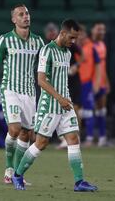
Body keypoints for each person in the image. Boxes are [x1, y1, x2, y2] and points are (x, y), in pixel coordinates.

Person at [11, 19, 98, 192]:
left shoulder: (67, 53)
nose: (73, 41)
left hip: (65, 104)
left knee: (73, 139)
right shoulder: (47, 50)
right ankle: (18, 175)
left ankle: (79, 182)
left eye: (76, 38)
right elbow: (41, 81)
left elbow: (61, 79)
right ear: (63, 33)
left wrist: (66, 99)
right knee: (41, 143)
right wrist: (59, 98)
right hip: (50, 104)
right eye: (72, 37)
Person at [0, 4, 44, 184]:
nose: (25, 16)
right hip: (10, 90)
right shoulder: (4, 40)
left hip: (29, 93)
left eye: (27, 13)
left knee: (26, 134)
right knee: (15, 129)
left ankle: (18, 175)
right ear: (14, 19)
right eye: (21, 14)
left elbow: (44, 69)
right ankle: (8, 169)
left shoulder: (38, 42)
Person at [43, 22, 84, 150]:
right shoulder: (47, 48)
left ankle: (76, 136)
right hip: (57, 83)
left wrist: (76, 66)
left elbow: (82, 55)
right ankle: (64, 138)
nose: (51, 33)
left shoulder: (69, 43)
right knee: (57, 110)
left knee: (75, 108)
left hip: (72, 80)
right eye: (49, 31)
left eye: (52, 31)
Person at [77, 25, 101, 147]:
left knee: (88, 112)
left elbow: (98, 66)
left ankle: (90, 138)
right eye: (77, 34)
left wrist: (96, 83)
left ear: (85, 34)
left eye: (81, 34)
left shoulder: (91, 48)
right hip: (75, 85)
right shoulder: (73, 48)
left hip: (87, 83)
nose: (79, 36)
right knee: (76, 112)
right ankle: (76, 138)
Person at [91, 22, 111, 147]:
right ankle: (88, 137)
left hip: (102, 82)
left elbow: (103, 67)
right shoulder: (89, 46)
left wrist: (107, 81)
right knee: (87, 112)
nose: (102, 32)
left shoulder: (103, 45)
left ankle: (102, 138)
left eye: (103, 30)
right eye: (99, 29)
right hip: (91, 83)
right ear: (93, 30)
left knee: (102, 110)